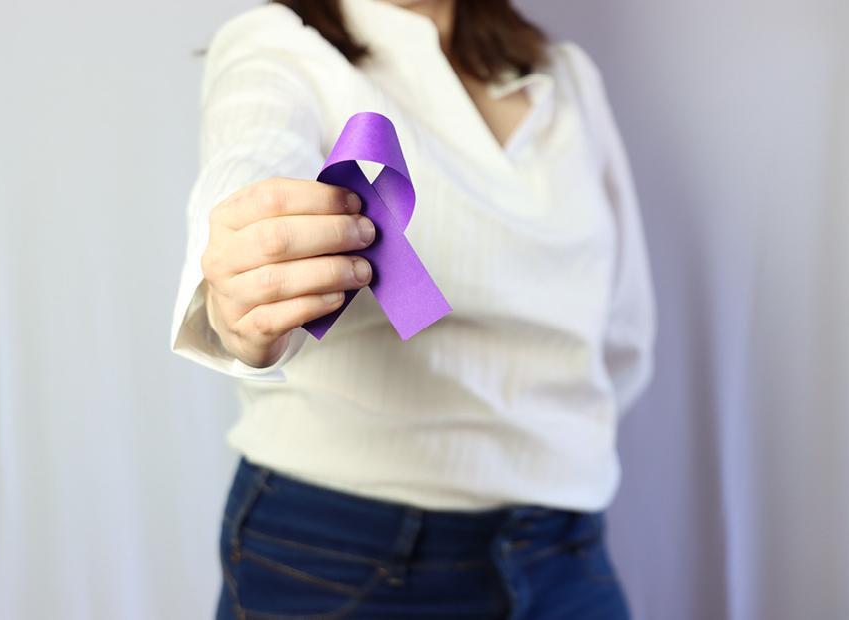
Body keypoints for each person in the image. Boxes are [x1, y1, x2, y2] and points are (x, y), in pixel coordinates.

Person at [169, 0, 657, 617]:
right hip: (343, 557)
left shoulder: (566, 77)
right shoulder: (280, 48)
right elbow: (250, 157)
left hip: (566, 555)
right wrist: (244, 286)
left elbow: (621, 331)